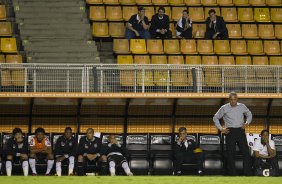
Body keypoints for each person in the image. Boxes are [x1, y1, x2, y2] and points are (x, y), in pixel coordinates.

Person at [213, 91, 252, 176]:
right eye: (231, 99)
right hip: (230, 132)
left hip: (240, 131)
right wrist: (221, 129)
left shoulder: (242, 106)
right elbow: (215, 117)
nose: (232, 101)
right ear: (228, 100)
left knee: (246, 152)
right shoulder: (224, 108)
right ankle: (232, 174)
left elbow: (249, 114)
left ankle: (247, 173)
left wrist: (247, 123)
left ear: (237, 99)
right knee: (231, 154)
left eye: (234, 99)